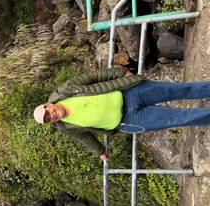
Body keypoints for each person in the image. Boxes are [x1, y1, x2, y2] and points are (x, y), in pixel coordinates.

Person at [33, 66, 210, 160]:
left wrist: (120, 72)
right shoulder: (65, 127)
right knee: (178, 118)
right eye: (48, 120)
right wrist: (101, 152)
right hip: (129, 120)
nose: (52, 116)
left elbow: (95, 77)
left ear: (48, 104)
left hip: (129, 92)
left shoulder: (65, 90)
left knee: (178, 90)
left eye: (48, 112)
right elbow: (85, 138)